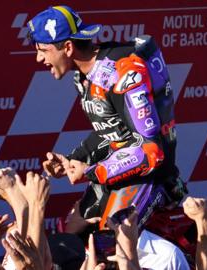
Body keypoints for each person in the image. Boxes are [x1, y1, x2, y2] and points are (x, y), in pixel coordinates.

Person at [29, 5, 186, 228]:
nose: (38, 58)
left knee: (109, 245)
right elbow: (114, 130)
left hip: (152, 179)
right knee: (72, 229)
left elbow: (151, 151)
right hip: (118, 172)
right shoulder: (84, 77)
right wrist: (75, 159)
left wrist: (92, 171)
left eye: (43, 50)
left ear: (67, 47)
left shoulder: (122, 72)